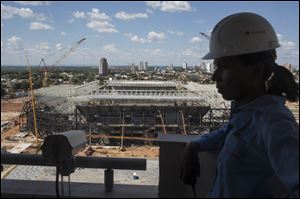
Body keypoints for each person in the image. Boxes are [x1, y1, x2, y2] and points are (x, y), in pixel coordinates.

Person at [180, 12, 299, 197]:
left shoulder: (274, 123)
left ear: (256, 70)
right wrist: (195, 145)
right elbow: (231, 133)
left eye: (224, 67)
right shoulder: (247, 112)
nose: (214, 76)